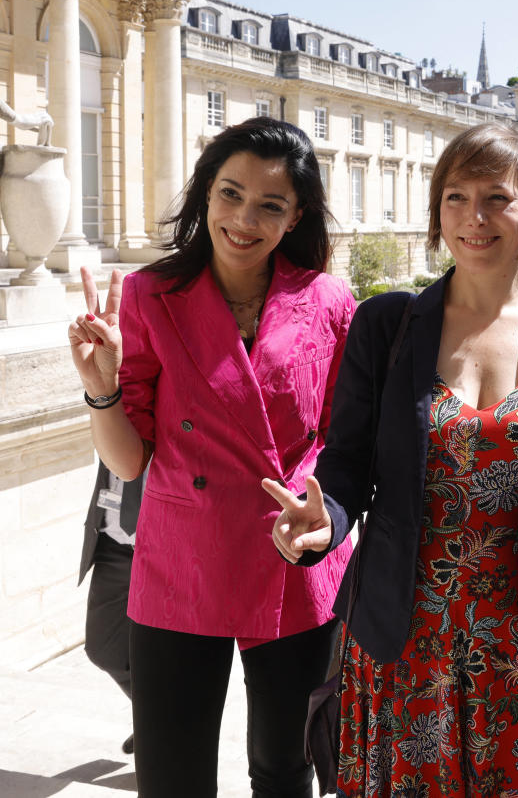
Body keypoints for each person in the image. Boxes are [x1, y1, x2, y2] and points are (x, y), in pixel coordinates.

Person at [265, 121, 518, 797]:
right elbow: (346, 468)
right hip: (407, 641)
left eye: (496, 198)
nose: (474, 218)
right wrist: (324, 521)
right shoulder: (386, 324)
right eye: (455, 197)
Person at [68, 116, 356, 796]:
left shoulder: (329, 301)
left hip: (292, 556)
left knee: (286, 769)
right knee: (172, 776)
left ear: (296, 217)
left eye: (269, 205)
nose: (243, 219)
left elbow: (344, 442)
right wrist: (101, 389)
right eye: (230, 193)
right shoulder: (148, 294)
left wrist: (326, 513)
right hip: (181, 560)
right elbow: (130, 461)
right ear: (205, 194)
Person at [78, 460, 146, 755]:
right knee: (101, 648)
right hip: (112, 545)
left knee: (162, 655)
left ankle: (161, 729)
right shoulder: (112, 412)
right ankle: (154, 718)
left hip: (161, 549)